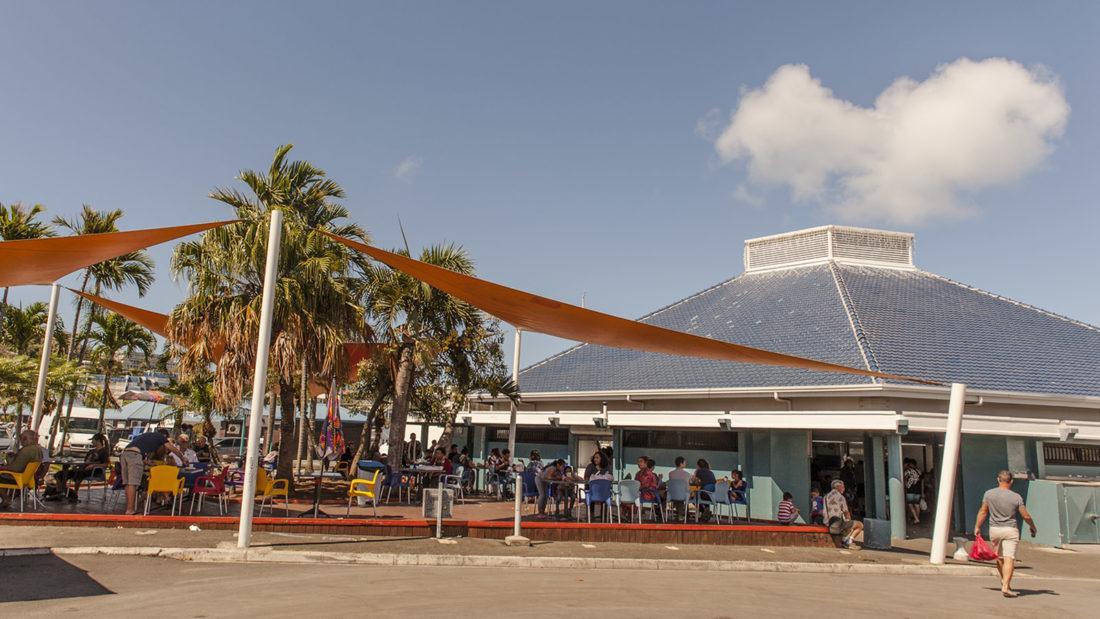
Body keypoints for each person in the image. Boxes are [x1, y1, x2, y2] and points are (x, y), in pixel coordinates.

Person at [974, 470, 1038, 598]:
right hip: (1010, 530)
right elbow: (1025, 515)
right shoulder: (1016, 497)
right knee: (1009, 558)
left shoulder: (989, 494)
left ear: (998, 480)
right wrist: (1033, 527)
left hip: (995, 530)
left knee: (999, 557)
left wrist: (977, 526)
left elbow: (983, 511)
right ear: (1011, 481)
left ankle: (1004, 582)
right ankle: (1005, 586)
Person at [120, 429, 183, 515]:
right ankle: (130, 510)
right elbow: (173, 449)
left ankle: (129, 508)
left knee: (127, 483)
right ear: (165, 436)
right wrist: (183, 458)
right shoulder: (161, 437)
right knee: (133, 483)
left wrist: (144, 461)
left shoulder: (147, 435)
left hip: (125, 454)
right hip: (135, 455)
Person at [48, 433, 110, 503]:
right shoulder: (91, 451)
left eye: (93, 440)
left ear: (98, 441)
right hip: (83, 468)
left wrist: (94, 466)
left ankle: (74, 494)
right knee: (60, 474)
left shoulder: (104, 451)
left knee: (79, 474)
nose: (92, 442)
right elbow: (85, 462)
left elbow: (106, 464)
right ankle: (61, 492)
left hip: (94, 471)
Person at [0, 430, 43, 509]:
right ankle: (7, 498)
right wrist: (11, 459)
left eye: (21, 439)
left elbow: (16, 469)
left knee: (2, 474)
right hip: (28, 479)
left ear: (24, 438)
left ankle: (6, 498)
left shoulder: (27, 450)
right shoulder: (38, 449)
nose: (21, 442)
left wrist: (2, 467)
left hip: (19, 478)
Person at [824, 479, 863, 548]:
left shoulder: (826, 496)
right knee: (859, 525)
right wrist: (849, 521)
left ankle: (844, 539)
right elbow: (846, 512)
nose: (844, 489)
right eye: (843, 487)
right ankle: (848, 542)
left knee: (846, 523)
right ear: (838, 487)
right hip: (836, 524)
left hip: (827, 523)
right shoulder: (841, 497)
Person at [904, 458, 923, 525]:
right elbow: (921, 481)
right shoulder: (919, 471)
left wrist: (906, 485)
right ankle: (917, 518)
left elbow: (905, 479)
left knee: (910, 505)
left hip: (910, 490)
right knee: (917, 505)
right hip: (918, 490)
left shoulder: (908, 471)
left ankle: (916, 519)